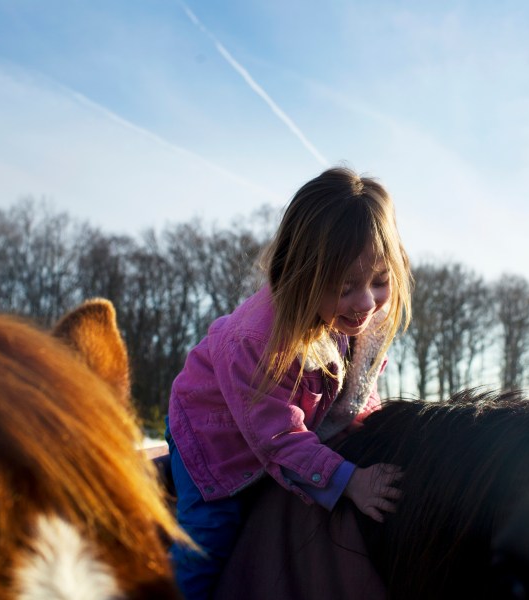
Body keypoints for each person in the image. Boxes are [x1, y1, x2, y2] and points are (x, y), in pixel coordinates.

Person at [164, 165, 413, 600]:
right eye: (345, 287)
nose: (366, 302)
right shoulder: (256, 340)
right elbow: (277, 437)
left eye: (379, 281)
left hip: (281, 420)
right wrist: (350, 480)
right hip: (213, 440)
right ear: (302, 276)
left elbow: (357, 393)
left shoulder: (354, 321)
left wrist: (376, 433)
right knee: (207, 542)